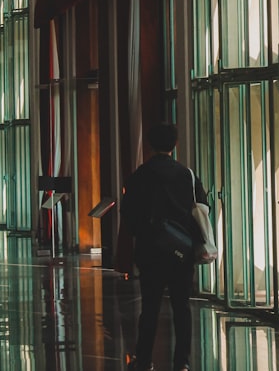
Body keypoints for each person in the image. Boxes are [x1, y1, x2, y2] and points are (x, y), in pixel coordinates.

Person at [120, 122, 208, 371]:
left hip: (150, 250)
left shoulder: (141, 175)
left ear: (150, 144)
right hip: (181, 251)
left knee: (149, 307)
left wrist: (144, 233)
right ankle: (182, 362)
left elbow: (128, 212)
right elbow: (200, 206)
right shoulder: (186, 175)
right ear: (175, 144)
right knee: (182, 307)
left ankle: (145, 359)